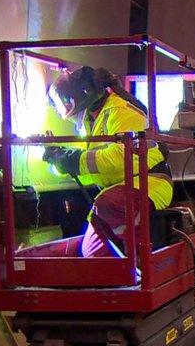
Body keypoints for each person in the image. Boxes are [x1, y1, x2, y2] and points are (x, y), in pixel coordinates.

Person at [42, 65, 173, 257]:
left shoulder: (121, 110)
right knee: (91, 252)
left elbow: (122, 157)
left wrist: (73, 160)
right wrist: (60, 161)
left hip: (150, 182)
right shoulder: (90, 122)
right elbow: (93, 168)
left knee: (107, 204)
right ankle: (125, 264)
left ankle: (140, 261)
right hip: (118, 189)